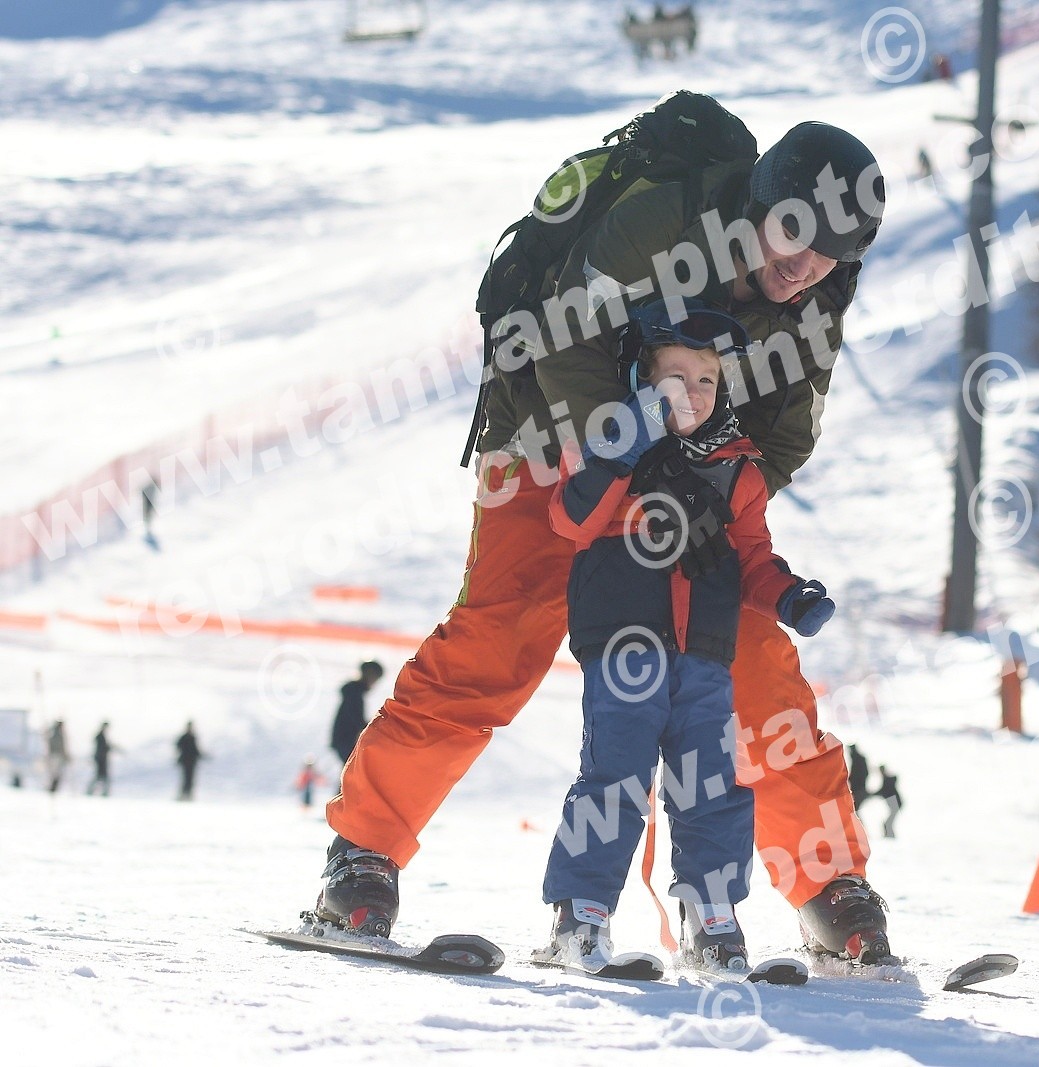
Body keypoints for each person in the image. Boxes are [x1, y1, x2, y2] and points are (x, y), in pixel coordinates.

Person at [317, 109, 896, 963]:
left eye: (830, 253)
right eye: (795, 231)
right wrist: (634, 467)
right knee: (497, 640)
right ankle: (362, 853)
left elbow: (784, 438)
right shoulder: (663, 222)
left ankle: (830, 883)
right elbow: (563, 345)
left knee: (749, 659)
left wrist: (715, 494)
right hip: (548, 443)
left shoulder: (816, 302)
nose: (804, 263)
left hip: (690, 491)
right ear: (761, 199)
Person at [532, 299, 835, 971]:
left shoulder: (739, 470)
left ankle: (712, 921)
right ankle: (580, 918)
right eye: (674, 378)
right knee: (615, 778)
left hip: (703, 656)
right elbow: (570, 521)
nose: (692, 393)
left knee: (712, 785)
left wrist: (789, 596)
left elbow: (753, 558)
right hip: (625, 647)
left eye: (706, 379)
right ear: (643, 381)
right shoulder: (607, 448)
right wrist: (623, 451)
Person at [330, 661, 384, 766]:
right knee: (353, 768)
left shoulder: (355, 692)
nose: (374, 683)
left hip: (344, 740)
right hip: (346, 740)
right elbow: (355, 718)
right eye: (375, 678)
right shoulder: (354, 693)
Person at [175, 721, 204, 801]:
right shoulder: (184, 737)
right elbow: (178, 746)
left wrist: (201, 756)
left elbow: (195, 750)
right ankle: (183, 795)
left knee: (190, 779)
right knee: (185, 779)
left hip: (192, 762)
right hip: (185, 761)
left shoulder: (192, 737)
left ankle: (188, 795)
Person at [87, 722, 114, 797]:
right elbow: (101, 748)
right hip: (100, 759)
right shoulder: (100, 736)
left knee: (101, 776)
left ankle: (99, 791)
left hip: (101, 759)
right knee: (100, 776)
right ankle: (93, 791)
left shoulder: (102, 736)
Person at [875, 766, 901, 839]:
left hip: (896, 804)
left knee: (888, 823)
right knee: (888, 822)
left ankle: (890, 836)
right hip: (895, 804)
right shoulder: (886, 779)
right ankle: (889, 836)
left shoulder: (887, 779)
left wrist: (871, 794)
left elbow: (883, 790)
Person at [45, 720, 69, 794]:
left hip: (56, 756)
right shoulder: (57, 735)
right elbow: (60, 746)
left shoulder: (55, 734)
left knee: (56, 773)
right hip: (56, 756)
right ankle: (52, 788)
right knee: (55, 773)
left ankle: (53, 788)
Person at [847, 744, 870, 811]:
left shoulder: (857, 759)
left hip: (858, 789)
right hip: (858, 788)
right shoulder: (857, 759)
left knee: (854, 809)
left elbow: (864, 773)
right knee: (854, 809)